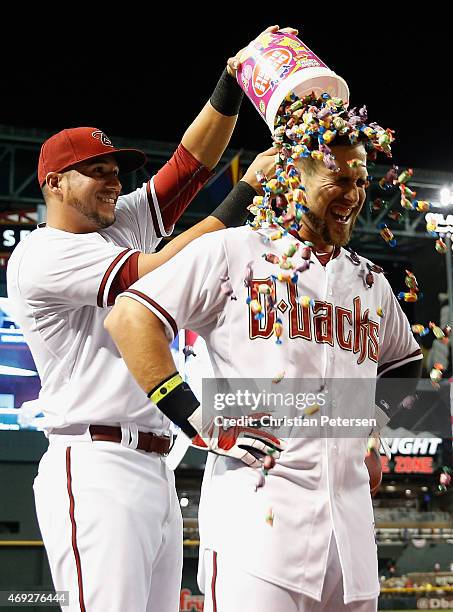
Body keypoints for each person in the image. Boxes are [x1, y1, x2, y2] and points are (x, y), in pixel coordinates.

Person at [6, 24, 298, 612]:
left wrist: (234, 80)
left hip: (157, 465)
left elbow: (191, 163)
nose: (115, 178)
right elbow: (162, 269)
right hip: (93, 464)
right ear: (54, 183)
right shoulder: (43, 254)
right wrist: (249, 188)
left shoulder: (116, 222)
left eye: (118, 168)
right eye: (97, 169)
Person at [105, 94, 423, 611]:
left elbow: (405, 362)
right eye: (339, 179)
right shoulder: (232, 251)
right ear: (295, 178)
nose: (354, 194)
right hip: (257, 529)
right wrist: (196, 418)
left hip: (351, 537)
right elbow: (130, 317)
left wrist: (373, 423)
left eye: (361, 181)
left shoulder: (370, 282)